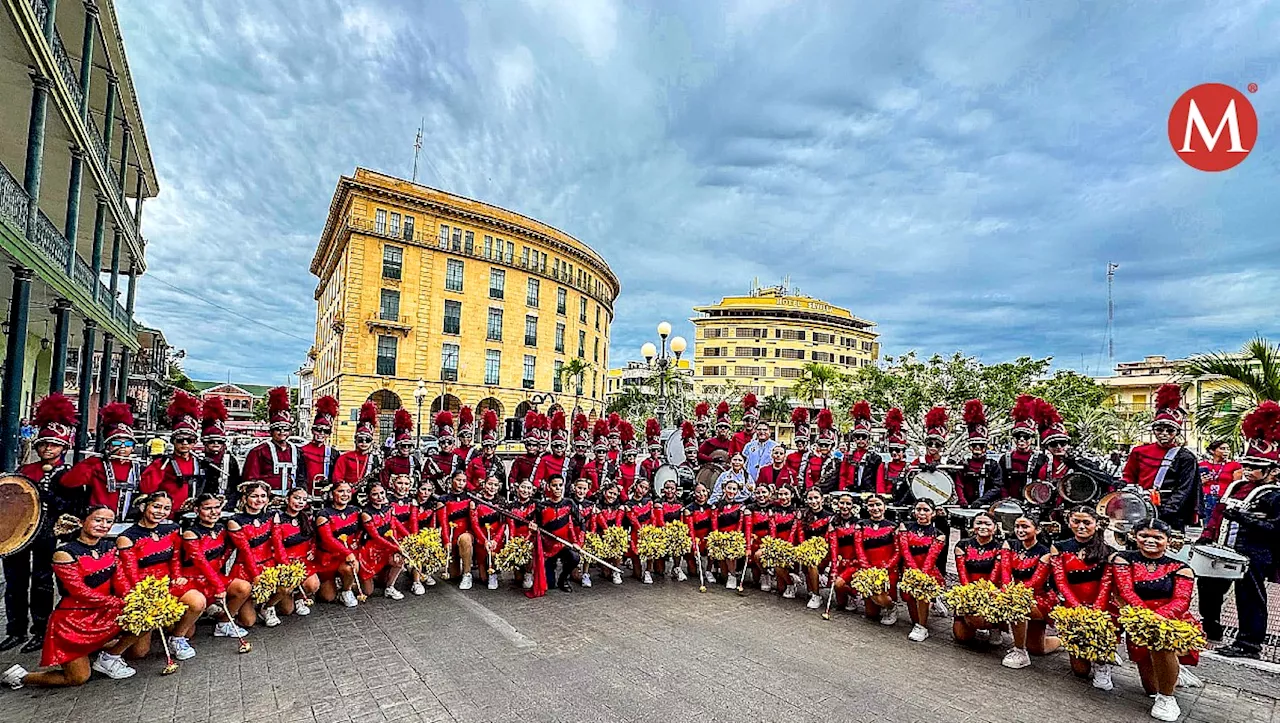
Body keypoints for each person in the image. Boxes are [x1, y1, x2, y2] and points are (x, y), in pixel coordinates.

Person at [2, 506, 144, 689]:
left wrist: (135, 599)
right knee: (78, 678)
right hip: (74, 622)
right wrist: (118, 602)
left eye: (108, 522)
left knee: (145, 617)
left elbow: (120, 579)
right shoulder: (64, 553)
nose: (103, 525)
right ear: (81, 521)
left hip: (105, 613)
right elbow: (80, 592)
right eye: (98, 520)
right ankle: (22, 677)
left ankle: (108, 658)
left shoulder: (110, 546)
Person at [1197, 401, 1280, 659]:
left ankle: (1249, 644)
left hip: (1253, 554)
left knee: (1250, 598)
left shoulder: (1274, 495)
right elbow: (1219, 514)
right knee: (1207, 588)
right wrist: (1206, 537)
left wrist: (1245, 519)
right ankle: (1211, 629)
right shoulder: (1237, 487)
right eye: (1246, 466)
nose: (1246, 471)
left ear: (1273, 471)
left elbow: (1275, 529)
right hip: (1222, 550)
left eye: (1253, 467)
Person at [2, 393, 77, 654]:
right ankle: (15, 630)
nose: (48, 449)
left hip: (48, 533)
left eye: (54, 445)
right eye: (44, 444)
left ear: (63, 449)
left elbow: (70, 508)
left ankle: (40, 630)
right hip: (18, 533)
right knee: (14, 582)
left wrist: (49, 496)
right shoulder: (24, 471)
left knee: (42, 583)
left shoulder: (68, 475)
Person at [1112, 518, 1202, 721]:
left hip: (1172, 621)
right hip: (1139, 619)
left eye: (1158, 537)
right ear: (1134, 536)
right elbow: (1126, 592)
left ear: (1168, 541)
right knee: (1150, 688)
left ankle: (1168, 698)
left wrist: (1157, 619)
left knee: (1161, 645)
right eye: (1144, 535)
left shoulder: (1181, 567)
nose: (1150, 541)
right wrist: (1145, 618)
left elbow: (1181, 601)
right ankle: (1172, 671)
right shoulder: (1123, 559)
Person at [116, 492, 205, 663]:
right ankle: (109, 651)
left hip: (168, 585)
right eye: (156, 506)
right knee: (140, 652)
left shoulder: (171, 529)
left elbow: (175, 558)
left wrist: (177, 577)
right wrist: (145, 596)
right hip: (145, 590)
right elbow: (130, 572)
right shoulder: (127, 537)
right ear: (144, 507)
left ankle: (176, 639)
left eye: (166, 508)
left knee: (197, 603)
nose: (161, 512)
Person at [1050, 506, 1115, 690]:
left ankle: (1103, 662)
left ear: (1097, 524)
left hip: (1101, 607)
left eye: (1087, 522)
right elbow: (1061, 581)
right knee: (1080, 671)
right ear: (1069, 522)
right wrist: (1077, 607)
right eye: (1076, 521)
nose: (1081, 526)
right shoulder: (1059, 547)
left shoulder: (1108, 551)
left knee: (1101, 632)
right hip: (1072, 606)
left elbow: (1106, 584)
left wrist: (1096, 610)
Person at [1121, 384, 1201, 531]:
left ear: (1177, 432)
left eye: (1170, 430)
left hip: (1170, 513)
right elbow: (1128, 477)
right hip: (1140, 507)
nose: (1164, 433)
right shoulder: (1138, 451)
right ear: (1153, 430)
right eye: (1159, 429)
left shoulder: (1186, 457)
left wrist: (1167, 511)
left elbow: (1184, 489)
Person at [182, 493, 252, 640]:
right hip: (193, 581)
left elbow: (228, 551)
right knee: (189, 632)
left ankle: (224, 624)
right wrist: (219, 587)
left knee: (243, 588)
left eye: (217, 507)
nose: (214, 512)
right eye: (207, 508)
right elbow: (201, 564)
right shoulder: (190, 533)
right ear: (196, 510)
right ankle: (176, 638)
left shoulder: (221, 528)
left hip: (214, 577)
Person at [60, 403, 143, 521]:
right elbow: (69, 482)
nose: (123, 447)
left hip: (129, 522)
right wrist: (92, 462)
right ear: (108, 446)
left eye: (128, 444)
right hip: (98, 521)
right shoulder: (96, 464)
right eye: (117, 443)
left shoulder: (139, 467)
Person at [998, 514, 1059, 669]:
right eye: (1017, 526)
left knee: (1017, 607)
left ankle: (1021, 652)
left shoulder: (1045, 552)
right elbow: (1005, 573)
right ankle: (1060, 640)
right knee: (1037, 648)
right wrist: (1007, 592)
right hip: (1013, 593)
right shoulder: (1009, 544)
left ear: (1037, 530)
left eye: (1025, 527)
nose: (1020, 530)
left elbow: (1036, 582)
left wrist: (1013, 596)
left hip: (1038, 597)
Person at [140, 390, 205, 514]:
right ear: (173, 441)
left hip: (194, 515)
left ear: (195, 442)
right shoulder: (162, 462)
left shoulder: (200, 462)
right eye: (180, 440)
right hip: (167, 515)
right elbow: (147, 488)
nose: (185, 443)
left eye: (189, 440)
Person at [227, 482, 281, 628]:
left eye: (263, 496)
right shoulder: (235, 521)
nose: (259, 500)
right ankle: (225, 614)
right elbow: (246, 552)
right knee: (248, 622)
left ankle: (267, 607)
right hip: (245, 568)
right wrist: (256, 575)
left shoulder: (272, 515)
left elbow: (277, 544)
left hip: (269, 564)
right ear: (244, 498)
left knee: (287, 588)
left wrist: (285, 567)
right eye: (254, 496)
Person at [528, 474, 585, 595]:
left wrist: (578, 542)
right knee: (550, 584)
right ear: (549, 487)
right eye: (554, 485)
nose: (558, 488)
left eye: (560, 485)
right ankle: (551, 570)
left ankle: (563, 579)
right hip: (547, 547)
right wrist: (533, 528)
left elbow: (581, 522)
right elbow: (536, 526)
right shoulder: (541, 506)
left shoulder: (569, 503)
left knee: (575, 557)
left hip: (564, 544)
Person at [897, 499, 946, 642]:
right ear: (913, 511)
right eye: (919, 509)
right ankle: (932, 603)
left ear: (933, 513)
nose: (922, 513)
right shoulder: (905, 527)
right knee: (909, 600)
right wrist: (912, 572)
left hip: (927, 571)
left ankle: (923, 627)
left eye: (926, 510)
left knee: (921, 596)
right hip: (909, 569)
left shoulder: (939, 534)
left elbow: (931, 557)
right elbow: (904, 551)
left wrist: (921, 576)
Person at [951, 511, 1003, 643]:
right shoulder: (962, 545)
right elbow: (962, 573)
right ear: (972, 525)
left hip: (991, 591)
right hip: (969, 589)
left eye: (987, 524)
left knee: (981, 620)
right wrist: (970, 595)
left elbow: (995, 574)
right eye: (979, 523)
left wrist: (986, 595)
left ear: (995, 527)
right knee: (961, 637)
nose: (983, 527)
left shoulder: (1001, 548)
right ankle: (974, 621)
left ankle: (995, 626)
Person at [271, 487, 322, 615]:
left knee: (313, 585)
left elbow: (313, 539)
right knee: (287, 610)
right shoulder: (278, 519)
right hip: (284, 562)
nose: (300, 502)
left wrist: (313, 550)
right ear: (287, 499)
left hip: (303, 561)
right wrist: (287, 566)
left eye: (304, 500)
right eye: (296, 498)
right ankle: (268, 606)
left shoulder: (307, 518)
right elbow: (277, 546)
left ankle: (300, 598)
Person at [242, 387, 302, 495]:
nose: (282, 432)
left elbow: (302, 478)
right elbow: (251, 480)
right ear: (271, 431)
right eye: (277, 429)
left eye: (285, 429)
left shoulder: (297, 451)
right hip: (265, 502)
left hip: (292, 502)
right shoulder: (258, 451)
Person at [313, 481, 362, 607]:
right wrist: (348, 552)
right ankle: (329, 582)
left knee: (352, 567)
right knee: (328, 597)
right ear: (332, 494)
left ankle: (346, 590)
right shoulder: (323, 514)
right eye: (340, 491)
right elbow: (328, 539)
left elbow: (361, 530)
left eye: (347, 491)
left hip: (345, 556)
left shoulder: (355, 511)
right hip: (328, 557)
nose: (345, 494)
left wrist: (356, 541)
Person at [357, 480, 408, 600]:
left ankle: (390, 587)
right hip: (370, 552)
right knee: (368, 592)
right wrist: (396, 548)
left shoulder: (389, 507)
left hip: (386, 547)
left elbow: (394, 526)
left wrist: (400, 546)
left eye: (382, 493)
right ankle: (359, 580)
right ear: (369, 496)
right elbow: (375, 537)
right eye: (375, 494)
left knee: (400, 559)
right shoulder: (366, 513)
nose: (379, 497)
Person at [855, 494, 899, 625]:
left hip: (887, 569)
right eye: (871, 505)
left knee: (883, 597)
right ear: (866, 508)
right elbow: (859, 548)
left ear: (885, 507)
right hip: (868, 567)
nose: (875, 508)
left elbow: (898, 552)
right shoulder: (861, 525)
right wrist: (866, 568)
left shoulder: (893, 527)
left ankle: (892, 608)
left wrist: (886, 568)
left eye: (878, 505)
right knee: (871, 614)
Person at [956, 399, 1002, 508]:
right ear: (969, 447)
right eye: (974, 445)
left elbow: (997, 487)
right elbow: (958, 484)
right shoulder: (963, 465)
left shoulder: (993, 465)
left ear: (986, 448)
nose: (977, 448)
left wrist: (982, 501)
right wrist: (962, 500)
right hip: (966, 507)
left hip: (987, 507)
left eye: (981, 446)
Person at [199, 397, 242, 507]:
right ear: (204, 443)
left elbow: (235, 484)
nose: (216, 444)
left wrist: (229, 503)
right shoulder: (197, 459)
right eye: (211, 441)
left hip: (225, 504)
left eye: (219, 441)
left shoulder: (230, 460)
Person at [437, 471, 477, 590]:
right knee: (453, 575)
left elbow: (474, 521)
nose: (461, 483)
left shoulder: (470, 498)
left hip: (466, 534)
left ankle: (467, 574)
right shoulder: (443, 499)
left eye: (464, 481)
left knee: (465, 539)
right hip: (451, 535)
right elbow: (443, 522)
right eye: (458, 480)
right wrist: (446, 541)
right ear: (451, 480)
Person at [999, 395, 1040, 504]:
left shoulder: (1041, 459)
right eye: (1018, 436)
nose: (1021, 440)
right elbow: (1000, 483)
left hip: (1033, 503)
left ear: (1031, 439)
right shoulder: (1005, 459)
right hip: (1009, 503)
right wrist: (1006, 499)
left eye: (1026, 436)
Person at [796, 487, 832, 609]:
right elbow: (800, 534)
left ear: (822, 499)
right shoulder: (804, 515)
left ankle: (817, 595)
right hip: (807, 550)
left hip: (824, 552)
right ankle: (812, 590)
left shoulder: (830, 517)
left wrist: (819, 550)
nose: (813, 501)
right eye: (810, 498)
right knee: (809, 586)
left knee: (812, 563)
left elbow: (829, 538)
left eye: (816, 498)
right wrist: (804, 548)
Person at [711, 479, 750, 589]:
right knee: (723, 572)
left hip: (734, 537)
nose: (731, 491)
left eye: (734, 489)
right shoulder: (717, 506)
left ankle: (732, 575)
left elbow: (740, 523)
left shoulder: (740, 506)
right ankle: (726, 574)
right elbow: (714, 522)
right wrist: (716, 536)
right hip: (720, 536)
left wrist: (735, 537)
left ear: (737, 491)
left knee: (730, 554)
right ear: (724, 489)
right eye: (729, 488)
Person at [299, 396, 341, 496]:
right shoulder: (301, 451)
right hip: (304, 496)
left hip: (325, 497)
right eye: (318, 430)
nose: (321, 433)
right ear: (312, 430)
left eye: (326, 431)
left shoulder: (333, 453)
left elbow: (336, 477)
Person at [471, 475, 508, 590]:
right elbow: (475, 523)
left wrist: (496, 540)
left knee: (493, 561)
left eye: (495, 485)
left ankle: (494, 572)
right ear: (484, 484)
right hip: (481, 538)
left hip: (496, 538)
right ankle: (482, 565)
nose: (492, 487)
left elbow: (503, 524)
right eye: (490, 484)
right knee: (483, 578)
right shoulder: (476, 500)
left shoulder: (502, 501)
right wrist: (484, 540)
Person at [826, 492, 861, 612]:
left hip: (853, 561)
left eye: (848, 503)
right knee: (840, 603)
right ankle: (848, 596)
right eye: (842, 503)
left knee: (838, 583)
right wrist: (834, 563)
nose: (844, 506)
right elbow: (833, 545)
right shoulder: (833, 522)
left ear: (853, 506)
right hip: (839, 559)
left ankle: (855, 595)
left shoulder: (859, 523)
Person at [839, 402, 882, 493]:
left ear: (868, 439)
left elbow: (879, 480)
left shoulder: (876, 458)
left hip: (868, 494)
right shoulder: (848, 456)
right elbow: (842, 476)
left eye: (864, 436)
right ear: (854, 439)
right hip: (849, 494)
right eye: (858, 437)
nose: (861, 439)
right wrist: (842, 491)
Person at [335, 402, 381, 487]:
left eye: (367, 440)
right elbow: (337, 479)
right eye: (360, 440)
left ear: (371, 441)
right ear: (355, 440)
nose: (364, 443)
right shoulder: (344, 458)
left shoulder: (376, 459)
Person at [768, 486, 801, 598]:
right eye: (780, 494)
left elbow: (794, 531)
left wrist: (787, 547)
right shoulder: (773, 511)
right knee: (780, 589)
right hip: (778, 544)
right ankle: (786, 579)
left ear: (791, 495)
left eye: (786, 494)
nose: (783, 497)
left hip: (791, 545)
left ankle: (791, 584)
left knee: (778, 565)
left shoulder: (797, 512)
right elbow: (772, 529)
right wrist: (774, 545)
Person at [1199, 439, 1242, 522]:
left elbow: (1236, 484)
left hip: (1224, 497)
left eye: (1228, 449)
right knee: (1208, 524)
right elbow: (1194, 483)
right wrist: (1201, 482)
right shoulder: (1202, 465)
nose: (1226, 451)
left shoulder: (1234, 465)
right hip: (1206, 497)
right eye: (1222, 448)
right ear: (1212, 451)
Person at [624, 477, 658, 583]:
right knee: (637, 573)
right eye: (641, 486)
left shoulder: (648, 501)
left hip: (649, 529)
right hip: (636, 532)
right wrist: (641, 531)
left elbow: (653, 517)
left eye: (646, 488)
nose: (642, 490)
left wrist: (651, 530)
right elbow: (633, 520)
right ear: (635, 486)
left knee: (650, 551)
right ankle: (635, 566)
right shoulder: (629, 504)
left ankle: (648, 570)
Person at [466, 410, 507, 494]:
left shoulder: (499, 463)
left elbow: (503, 485)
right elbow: (467, 479)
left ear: (495, 447)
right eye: (486, 446)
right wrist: (474, 491)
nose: (489, 448)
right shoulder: (474, 461)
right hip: (476, 495)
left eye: (492, 446)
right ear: (482, 447)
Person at [683, 483, 715, 586]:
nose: (701, 494)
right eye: (698, 492)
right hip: (694, 538)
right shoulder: (689, 509)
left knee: (713, 546)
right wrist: (693, 543)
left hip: (706, 538)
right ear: (694, 494)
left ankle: (709, 570)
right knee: (692, 573)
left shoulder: (711, 508)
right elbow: (690, 529)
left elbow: (713, 527)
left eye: (704, 491)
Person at [380, 409, 422, 489]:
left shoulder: (414, 461)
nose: (406, 448)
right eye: (403, 445)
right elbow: (384, 481)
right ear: (398, 446)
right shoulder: (389, 461)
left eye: (408, 446)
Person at [532, 411, 570, 491]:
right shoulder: (545, 460)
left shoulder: (570, 462)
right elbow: (537, 479)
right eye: (556, 446)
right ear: (552, 447)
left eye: (561, 446)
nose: (559, 449)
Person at [509, 412, 543, 493]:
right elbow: (512, 476)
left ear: (538, 446)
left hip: (537, 492)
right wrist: (513, 484)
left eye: (534, 445)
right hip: (522, 491)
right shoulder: (520, 459)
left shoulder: (542, 459)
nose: (531, 447)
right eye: (529, 445)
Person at [579, 420, 613, 496]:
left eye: (603, 451)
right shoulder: (588, 467)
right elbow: (582, 483)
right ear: (595, 452)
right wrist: (590, 495)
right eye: (599, 451)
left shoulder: (612, 467)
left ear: (606, 452)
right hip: (590, 497)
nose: (601, 453)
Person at [810, 410, 840, 492]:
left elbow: (832, 481)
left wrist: (816, 489)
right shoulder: (812, 459)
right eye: (821, 445)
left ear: (832, 446)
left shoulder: (836, 462)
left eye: (826, 445)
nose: (823, 447)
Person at [697, 402, 733, 468]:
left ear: (728, 429)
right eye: (720, 426)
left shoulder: (732, 443)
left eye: (725, 427)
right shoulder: (709, 442)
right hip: (710, 470)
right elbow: (699, 454)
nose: (723, 429)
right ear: (716, 428)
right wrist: (711, 459)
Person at [785, 408, 812, 476]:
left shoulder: (813, 457)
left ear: (807, 441)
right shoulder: (790, 457)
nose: (800, 443)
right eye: (797, 441)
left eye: (802, 441)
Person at [639, 418, 664, 485]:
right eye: (653, 450)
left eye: (658, 450)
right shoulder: (645, 463)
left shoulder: (660, 463)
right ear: (650, 451)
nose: (656, 452)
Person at [454, 406, 477, 470]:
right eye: (463, 436)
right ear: (459, 437)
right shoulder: (455, 452)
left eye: (468, 436)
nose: (465, 439)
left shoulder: (476, 452)